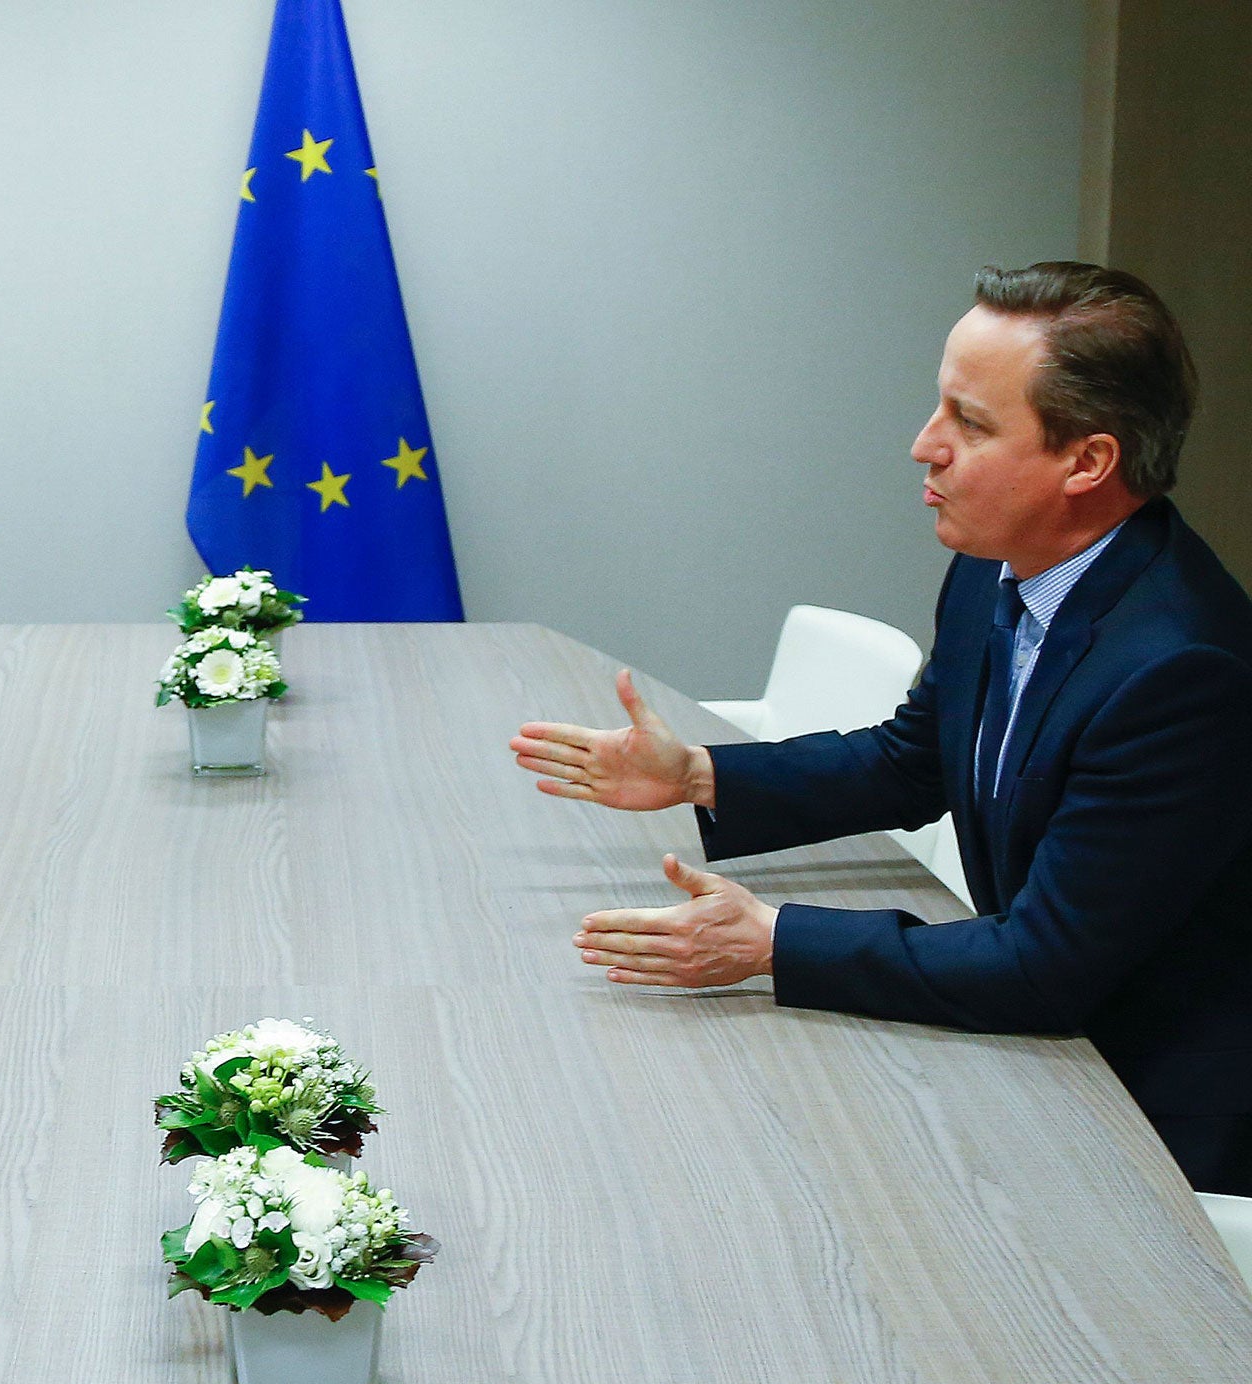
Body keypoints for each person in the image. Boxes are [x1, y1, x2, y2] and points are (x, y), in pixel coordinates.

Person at [510, 262, 1252, 1194]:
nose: (923, 446)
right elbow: (914, 760)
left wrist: (771, 942)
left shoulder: (1181, 671)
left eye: (971, 424)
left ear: (1087, 462)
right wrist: (697, 773)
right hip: (1044, 1048)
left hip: (1150, 1115)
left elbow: (1045, 964)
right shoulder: (998, 567)